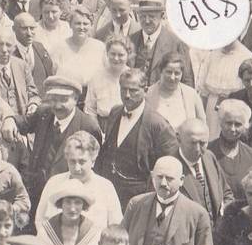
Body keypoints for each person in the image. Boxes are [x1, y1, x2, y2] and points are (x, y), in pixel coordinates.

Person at [123, 156, 215, 245]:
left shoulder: (197, 213)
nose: (163, 183)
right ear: (152, 176)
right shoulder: (136, 204)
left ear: (182, 180)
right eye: (159, 177)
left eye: (170, 178)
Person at [94, 68, 180, 210]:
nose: (127, 95)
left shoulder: (157, 124)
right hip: (108, 191)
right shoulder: (115, 112)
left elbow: (170, 162)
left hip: (137, 197)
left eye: (133, 90)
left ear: (145, 90)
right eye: (123, 89)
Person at [38, 177, 103, 245]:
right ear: (61, 203)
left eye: (77, 203)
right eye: (68, 202)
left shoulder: (94, 232)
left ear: (84, 205)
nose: (72, 208)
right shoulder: (46, 230)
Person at [176, 118, 234, 228]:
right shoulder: (170, 165)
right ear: (178, 139)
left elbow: (227, 193)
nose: (198, 149)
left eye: (202, 143)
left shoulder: (209, 157)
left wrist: (224, 211)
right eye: (192, 143)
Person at [129, 0, 194, 86]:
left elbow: (187, 80)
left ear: (162, 15)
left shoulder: (176, 43)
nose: (147, 21)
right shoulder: (131, 40)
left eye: (152, 16)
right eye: (142, 16)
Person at [0, 26, 40, 117]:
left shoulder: (22, 65)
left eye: (9, 45)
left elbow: (33, 94)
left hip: (23, 124)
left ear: (14, 47)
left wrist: (33, 105)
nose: (4, 50)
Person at [207, 98, 252, 199]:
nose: (232, 129)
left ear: (245, 126)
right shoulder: (208, 152)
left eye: (238, 124)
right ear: (221, 123)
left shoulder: (251, 156)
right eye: (228, 123)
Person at [145, 52, 206, 133]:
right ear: (161, 71)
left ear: (182, 74)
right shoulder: (148, 94)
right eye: (168, 72)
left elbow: (202, 125)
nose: (172, 77)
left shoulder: (191, 94)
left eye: (177, 73)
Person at [50, 6, 106, 91]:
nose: (82, 27)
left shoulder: (100, 47)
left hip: (93, 95)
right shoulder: (59, 48)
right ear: (70, 25)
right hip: (66, 95)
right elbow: (52, 75)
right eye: (78, 23)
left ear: (91, 25)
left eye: (85, 24)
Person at [84, 34, 131, 132]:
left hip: (126, 126)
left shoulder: (133, 77)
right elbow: (90, 110)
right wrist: (98, 133)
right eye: (112, 54)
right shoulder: (96, 77)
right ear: (107, 53)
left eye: (121, 55)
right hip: (102, 127)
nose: (116, 58)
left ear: (128, 55)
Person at [12, 12, 55, 92]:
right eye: (24, 28)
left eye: (32, 28)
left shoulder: (40, 48)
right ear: (14, 29)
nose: (29, 33)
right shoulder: (8, 52)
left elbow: (50, 77)